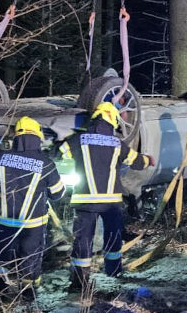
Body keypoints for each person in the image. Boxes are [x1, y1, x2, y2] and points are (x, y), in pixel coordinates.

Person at [62, 102, 153, 292]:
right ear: (112, 120)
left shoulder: (79, 139)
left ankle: (80, 279)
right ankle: (114, 272)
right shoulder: (117, 143)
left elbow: (59, 153)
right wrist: (148, 160)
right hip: (110, 202)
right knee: (113, 236)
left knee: (83, 240)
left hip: (85, 201)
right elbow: (137, 161)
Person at [0, 116, 65, 302]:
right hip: (32, 224)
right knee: (30, 258)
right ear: (37, 137)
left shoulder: (1, 158)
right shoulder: (45, 163)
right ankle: (28, 296)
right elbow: (58, 193)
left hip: (4, 221)